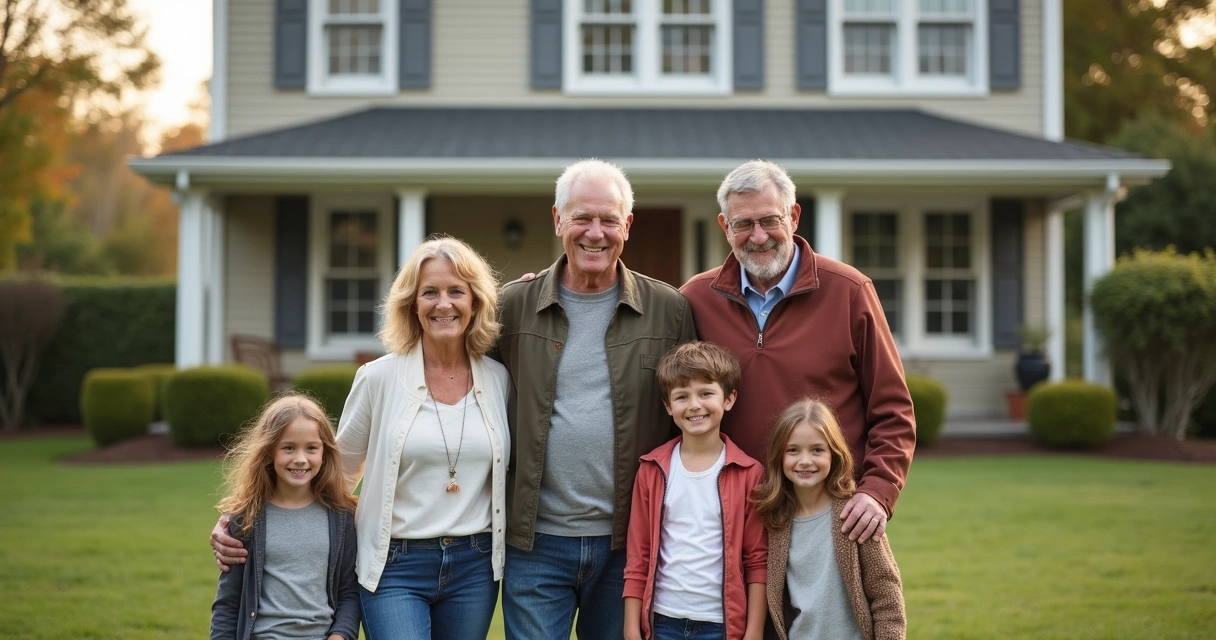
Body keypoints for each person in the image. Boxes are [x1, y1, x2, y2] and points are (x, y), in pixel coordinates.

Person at [213, 237, 512, 640]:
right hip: (394, 564)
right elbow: (336, 474)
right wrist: (241, 520)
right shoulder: (377, 379)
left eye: (456, 291)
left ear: (475, 301)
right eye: (430, 292)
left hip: (475, 566)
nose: (444, 304)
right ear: (412, 304)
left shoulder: (498, 380)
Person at [494, 158, 697, 640]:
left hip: (629, 543)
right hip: (535, 542)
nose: (595, 233)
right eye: (582, 217)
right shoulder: (512, 306)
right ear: (557, 220)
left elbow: (693, 419)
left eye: (609, 220)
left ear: (627, 225)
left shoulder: (669, 309)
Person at [680, 159, 916, 544]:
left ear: (793, 217)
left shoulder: (849, 292)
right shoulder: (694, 300)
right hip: (727, 519)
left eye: (769, 220)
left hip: (830, 516)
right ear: (725, 227)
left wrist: (878, 491)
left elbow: (893, 410)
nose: (759, 236)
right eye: (743, 224)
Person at [623, 341, 767, 640]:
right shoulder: (651, 470)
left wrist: (753, 632)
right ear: (668, 406)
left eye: (706, 393)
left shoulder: (749, 473)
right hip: (663, 622)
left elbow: (757, 561)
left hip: (721, 625)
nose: (694, 405)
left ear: (729, 398)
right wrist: (631, 629)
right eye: (682, 396)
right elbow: (638, 557)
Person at [753, 398, 906, 640]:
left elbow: (887, 597)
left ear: (834, 454)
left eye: (817, 450)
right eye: (793, 450)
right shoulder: (776, 520)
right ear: (778, 456)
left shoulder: (856, 514)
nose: (805, 460)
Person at [210, 394, 360, 640]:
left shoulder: (342, 518)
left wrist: (340, 635)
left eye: (311, 448)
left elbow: (349, 593)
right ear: (269, 451)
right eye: (288, 448)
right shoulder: (245, 520)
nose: (300, 459)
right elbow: (228, 604)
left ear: (324, 452)